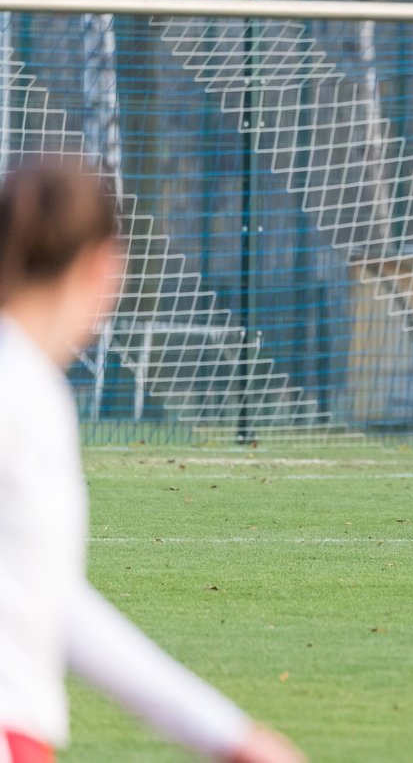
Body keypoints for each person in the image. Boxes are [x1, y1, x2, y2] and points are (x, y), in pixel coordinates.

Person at [0, 160, 305, 763]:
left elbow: (49, 598)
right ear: (103, 266)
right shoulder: (20, 392)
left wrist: (226, 734)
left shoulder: (30, 384)